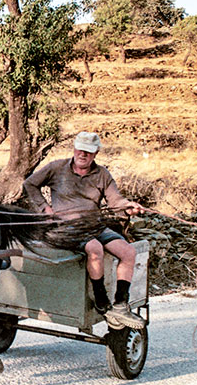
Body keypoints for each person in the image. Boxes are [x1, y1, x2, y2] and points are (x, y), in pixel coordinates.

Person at [23, 131, 146, 330]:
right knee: (94, 248)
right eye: (80, 150)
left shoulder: (102, 174)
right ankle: (100, 299)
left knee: (129, 252)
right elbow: (30, 184)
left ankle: (121, 304)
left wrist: (128, 206)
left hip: (94, 226)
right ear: (74, 148)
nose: (83, 155)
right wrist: (44, 208)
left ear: (95, 153)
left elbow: (115, 201)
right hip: (64, 228)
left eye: (89, 152)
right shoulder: (57, 168)